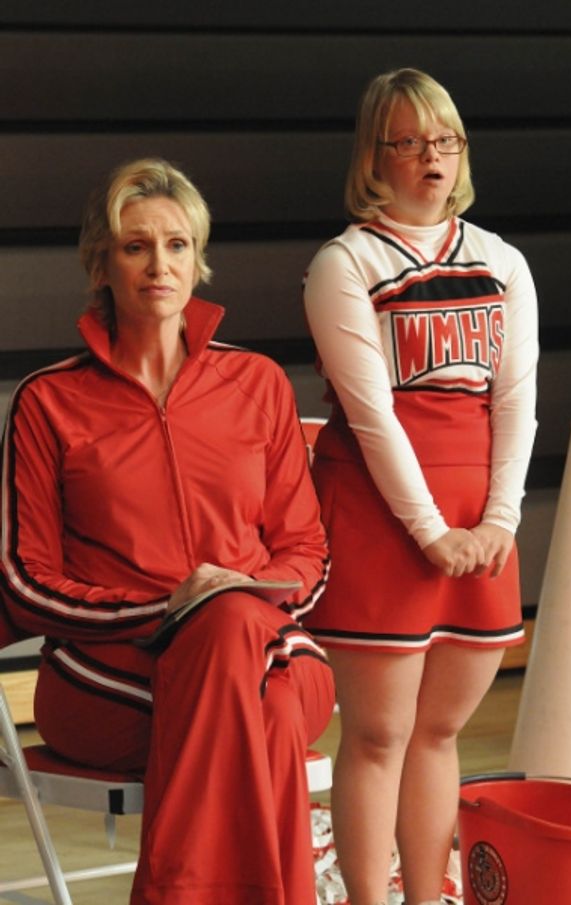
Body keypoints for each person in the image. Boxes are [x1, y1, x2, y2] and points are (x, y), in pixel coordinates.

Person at [0, 157, 334, 905]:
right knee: (265, 712)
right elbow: (24, 580)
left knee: (233, 631)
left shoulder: (257, 384)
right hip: (107, 677)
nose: (161, 264)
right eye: (135, 246)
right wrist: (171, 609)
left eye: (178, 244)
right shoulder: (50, 401)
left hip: (265, 644)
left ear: (199, 258)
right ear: (101, 263)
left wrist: (232, 601)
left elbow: (306, 551)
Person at [301, 68, 538, 905]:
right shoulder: (345, 261)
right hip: (382, 517)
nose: (431, 157)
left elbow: (516, 401)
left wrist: (501, 517)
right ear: (375, 154)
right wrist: (433, 530)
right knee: (378, 732)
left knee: (439, 733)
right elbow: (371, 417)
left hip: (482, 519)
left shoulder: (503, 260)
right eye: (409, 140)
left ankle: (426, 896)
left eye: (446, 140)